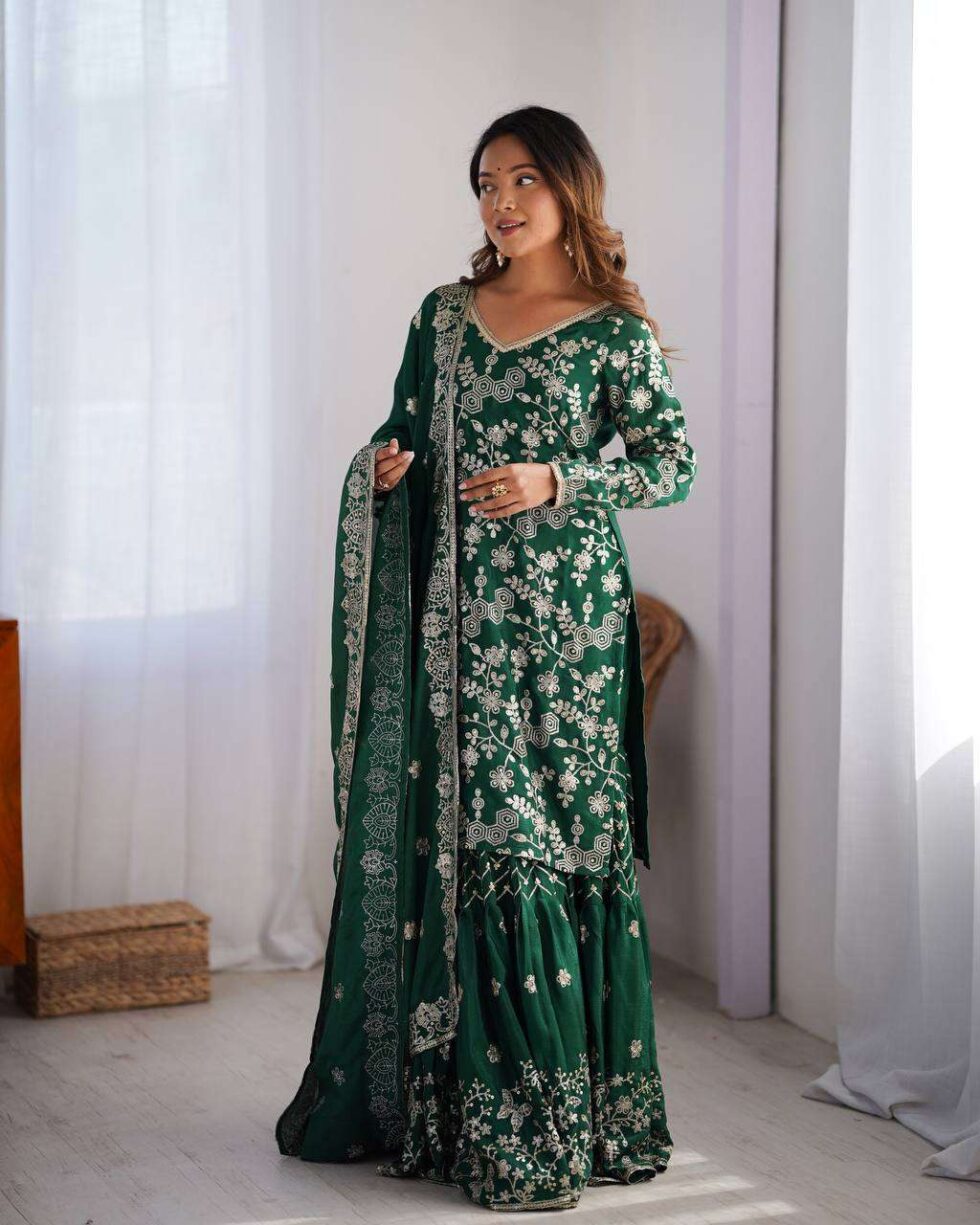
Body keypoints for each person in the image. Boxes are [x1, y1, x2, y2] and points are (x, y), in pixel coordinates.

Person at [275, 104, 698, 1212]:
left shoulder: (612, 332)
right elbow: (405, 434)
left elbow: (669, 466)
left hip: (572, 636)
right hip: (462, 633)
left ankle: (582, 1118)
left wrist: (559, 479)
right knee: (492, 841)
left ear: (568, 188)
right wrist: (385, 470)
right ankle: (488, 1124)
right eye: (484, 184)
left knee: (565, 845)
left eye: (521, 181)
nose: (499, 203)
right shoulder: (444, 317)